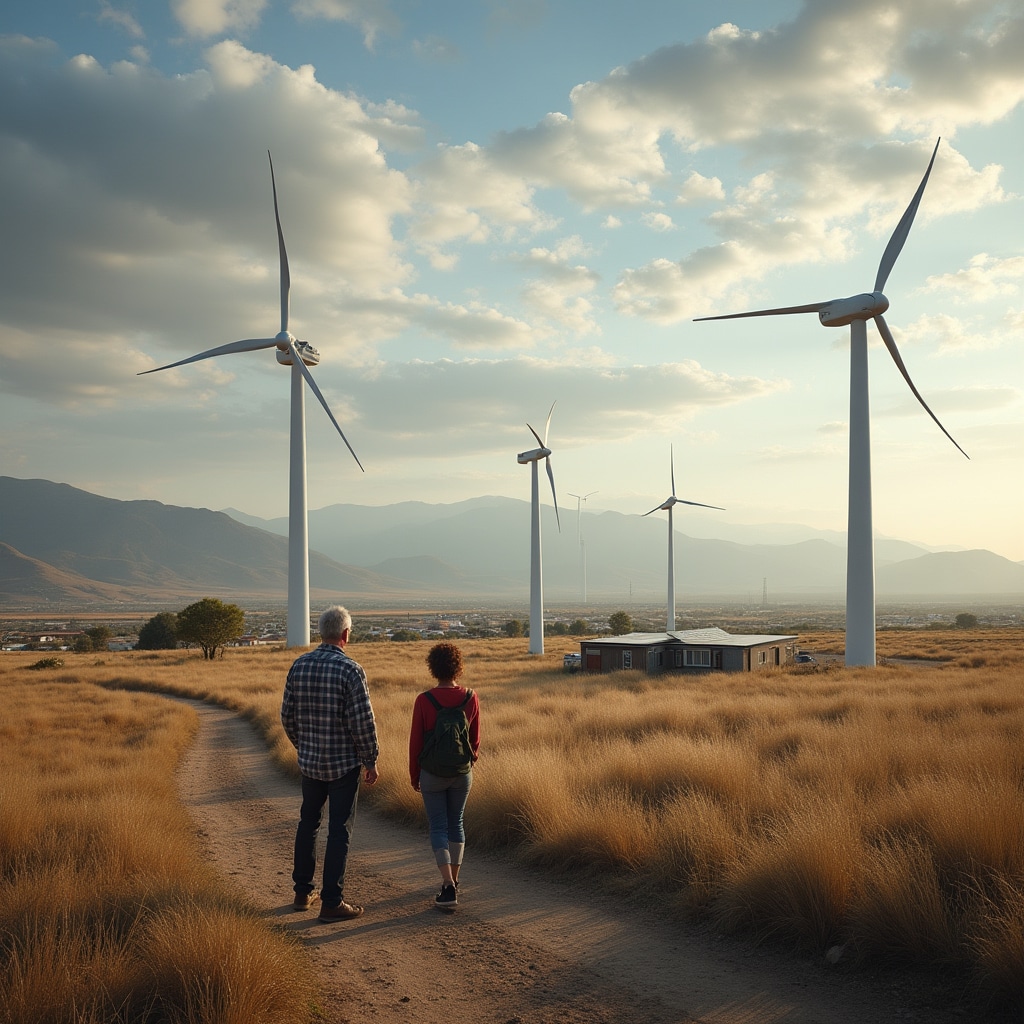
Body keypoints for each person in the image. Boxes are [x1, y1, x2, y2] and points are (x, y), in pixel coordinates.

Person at [281, 605, 379, 922]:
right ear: (346, 634)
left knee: (307, 825)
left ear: (321, 632)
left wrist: (304, 746)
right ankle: (332, 902)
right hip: (343, 766)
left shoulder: (299, 666)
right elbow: (362, 723)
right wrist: (370, 760)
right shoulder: (351, 670)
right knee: (339, 831)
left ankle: (301, 892)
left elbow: (287, 717)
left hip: (310, 765)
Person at [408, 642, 480, 909]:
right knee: (456, 823)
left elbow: (415, 743)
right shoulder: (470, 697)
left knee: (438, 826)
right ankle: (454, 881)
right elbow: (475, 739)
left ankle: (447, 885)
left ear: (433, 667)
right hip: (462, 773)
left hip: (432, 774)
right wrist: (468, 762)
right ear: (458, 667)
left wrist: (415, 775)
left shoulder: (424, 700)